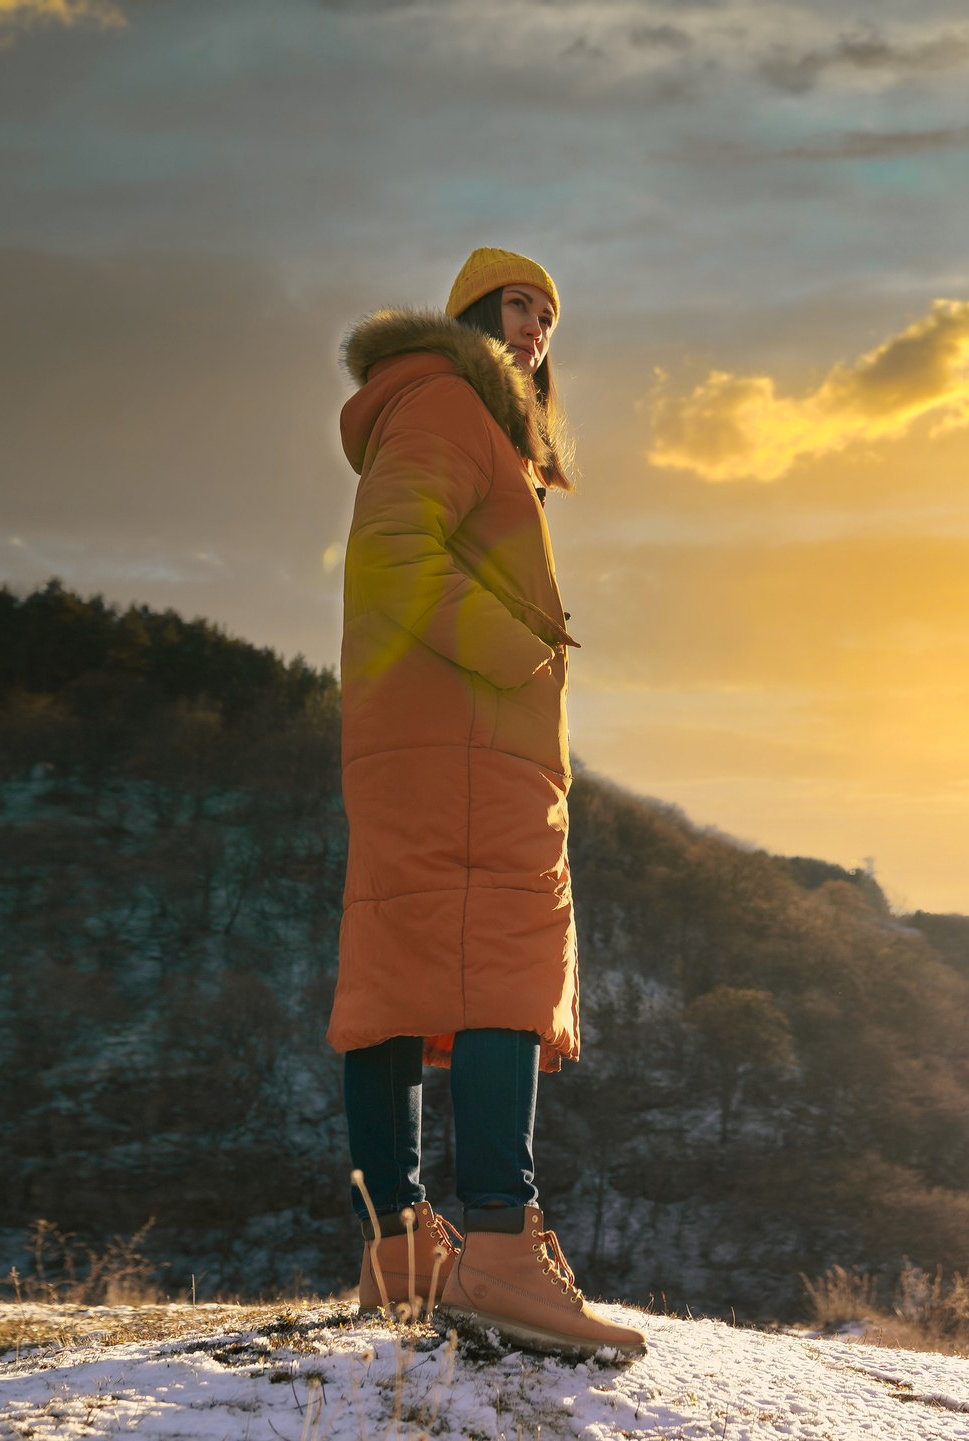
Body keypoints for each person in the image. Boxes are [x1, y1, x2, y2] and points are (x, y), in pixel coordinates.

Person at [327, 247, 643, 1360]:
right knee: (504, 949)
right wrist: (522, 654)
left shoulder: (437, 408)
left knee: (396, 972)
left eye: (550, 317)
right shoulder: (450, 403)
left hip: (423, 732)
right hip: (466, 733)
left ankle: (403, 1250)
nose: (536, 330)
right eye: (520, 304)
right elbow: (392, 553)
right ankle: (504, 1250)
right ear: (467, 311)